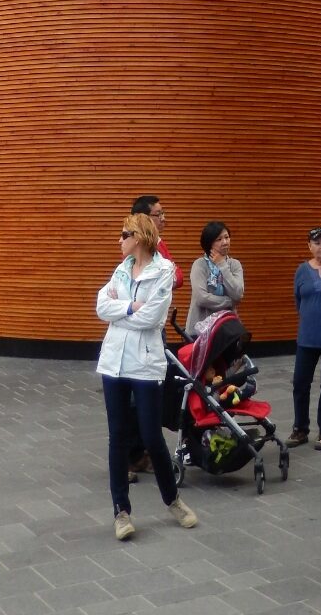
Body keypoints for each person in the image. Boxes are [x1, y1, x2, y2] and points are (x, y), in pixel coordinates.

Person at [95, 212, 198, 541]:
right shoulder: (120, 269)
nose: (119, 239)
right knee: (118, 437)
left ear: (139, 237)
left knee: (151, 436)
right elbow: (101, 306)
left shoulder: (163, 271)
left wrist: (124, 309)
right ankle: (121, 511)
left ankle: (172, 499)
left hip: (145, 363)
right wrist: (130, 307)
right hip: (114, 363)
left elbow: (153, 318)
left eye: (124, 234)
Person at [126, 195, 184, 481]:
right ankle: (130, 456)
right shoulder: (136, 248)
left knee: (151, 390)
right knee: (137, 394)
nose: (165, 218)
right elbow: (172, 276)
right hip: (138, 332)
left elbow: (177, 276)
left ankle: (141, 451)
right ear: (145, 218)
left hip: (154, 328)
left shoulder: (158, 245)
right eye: (159, 214)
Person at [286, 227, 321, 450]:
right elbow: (299, 301)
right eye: (317, 243)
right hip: (307, 338)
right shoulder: (301, 270)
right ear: (309, 246)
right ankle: (300, 429)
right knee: (300, 383)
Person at [185, 222, 244, 334]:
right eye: (219, 239)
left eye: (227, 237)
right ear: (209, 243)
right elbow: (201, 298)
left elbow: (238, 294)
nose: (225, 242)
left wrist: (222, 265)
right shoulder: (199, 264)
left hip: (227, 328)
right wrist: (229, 301)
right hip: (200, 329)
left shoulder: (234, 264)